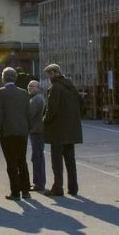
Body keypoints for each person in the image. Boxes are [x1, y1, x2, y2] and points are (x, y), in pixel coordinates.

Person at [42, 63, 83, 197]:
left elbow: (51, 110)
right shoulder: (71, 86)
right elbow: (81, 104)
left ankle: (57, 188)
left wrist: (44, 121)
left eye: (48, 74)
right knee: (70, 160)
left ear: (54, 73)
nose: (48, 77)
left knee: (57, 162)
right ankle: (73, 188)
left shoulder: (56, 88)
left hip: (58, 130)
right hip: (71, 129)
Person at [0, 67, 32, 200]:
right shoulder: (24, 93)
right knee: (22, 161)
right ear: (15, 78)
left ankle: (15, 192)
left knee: (11, 162)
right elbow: (28, 113)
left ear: (3, 78)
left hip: (7, 132)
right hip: (22, 131)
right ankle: (26, 190)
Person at [27, 79, 47, 193]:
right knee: (38, 157)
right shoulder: (39, 98)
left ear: (38, 88)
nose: (30, 88)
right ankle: (39, 182)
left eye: (33, 86)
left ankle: (39, 183)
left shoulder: (36, 99)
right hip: (38, 130)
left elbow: (30, 114)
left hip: (37, 131)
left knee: (37, 157)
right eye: (29, 86)